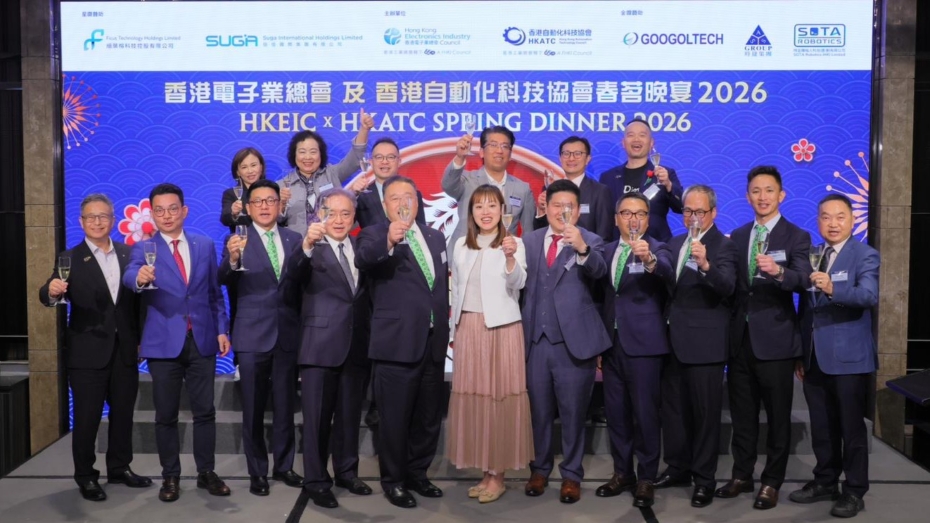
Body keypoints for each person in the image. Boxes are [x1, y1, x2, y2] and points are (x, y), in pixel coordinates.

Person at [123, 183, 231, 502]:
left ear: (184, 210)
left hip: (202, 339)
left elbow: (214, 293)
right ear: (152, 214)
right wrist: (139, 278)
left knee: (205, 412)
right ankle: (170, 476)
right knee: (166, 415)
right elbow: (131, 275)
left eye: (172, 209)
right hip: (163, 344)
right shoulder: (144, 248)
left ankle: (206, 472)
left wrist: (221, 329)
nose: (167, 215)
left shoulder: (204, 244)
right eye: (159, 210)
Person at [38, 193, 150, 501]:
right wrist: (51, 291)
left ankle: (120, 467)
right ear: (81, 221)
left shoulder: (130, 253)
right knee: (87, 419)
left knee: (123, 414)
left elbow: (138, 303)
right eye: (91, 217)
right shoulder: (70, 258)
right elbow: (47, 293)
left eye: (103, 216)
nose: (97, 222)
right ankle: (86, 476)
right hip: (87, 353)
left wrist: (141, 339)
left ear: (113, 220)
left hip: (124, 350)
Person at [716, 166, 812, 510]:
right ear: (747, 197)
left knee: (777, 417)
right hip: (739, 340)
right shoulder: (738, 236)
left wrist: (779, 271)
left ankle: (772, 481)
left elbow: (804, 279)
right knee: (742, 415)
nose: (762, 197)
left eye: (769, 190)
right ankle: (742, 475)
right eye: (756, 191)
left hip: (776, 340)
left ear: (781, 195)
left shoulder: (796, 235)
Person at [355, 176, 450, 509]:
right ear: (385, 205)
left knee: (428, 417)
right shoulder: (373, 235)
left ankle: (417, 474)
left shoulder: (435, 237)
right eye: (394, 198)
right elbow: (364, 259)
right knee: (394, 419)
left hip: (433, 342)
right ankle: (393, 481)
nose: (402, 203)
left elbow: (438, 287)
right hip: (396, 344)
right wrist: (389, 241)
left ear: (418, 201)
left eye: (408, 196)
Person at [521, 179, 612, 504]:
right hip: (536, 341)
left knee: (574, 414)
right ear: (545, 207)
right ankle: (539, 469)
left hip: (574, 345)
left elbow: (600, 272)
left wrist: (582, 248)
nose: (562, 211)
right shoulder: (529, 241)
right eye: (556, 205)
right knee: (539, 412)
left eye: (569, 206)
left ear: (578, 209)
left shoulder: (591, 239)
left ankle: (572, 474)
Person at [790, 194, 879, 519]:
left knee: (851, 429)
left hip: (849, 359)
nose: (833, 223)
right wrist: (801, 353)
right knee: (822, 427)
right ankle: (825, 480)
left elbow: (868, 295)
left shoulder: (865, 255)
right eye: (826, 217)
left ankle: (854, 491)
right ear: (818, 221)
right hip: (814, 357)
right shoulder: (815, 254)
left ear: (852, 220)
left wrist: (832, 288)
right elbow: (807, 310)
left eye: (840, 216)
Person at [285, 188, 374, 509]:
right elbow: (291, 276)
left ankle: (347, 472)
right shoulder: (309, 247)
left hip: (355, 346)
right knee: (317, 420)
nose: (338, 220)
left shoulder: (360, 248)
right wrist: (307, 246)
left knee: (349, 417)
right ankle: (316, 481)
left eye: (345, 213)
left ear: (354, 218)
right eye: (331, 213)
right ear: (319, 215)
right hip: (319, 347)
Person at [446, 185, 533, 504]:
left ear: (502, 211)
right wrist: (454, 330)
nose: (486, 212)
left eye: (492, 206)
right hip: (468, 329)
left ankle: (498, 475)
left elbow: (518, 283)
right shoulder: (460, 245)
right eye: (479, 206)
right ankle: (485, 471)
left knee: (498, 401)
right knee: (476, 401)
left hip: (501, 329)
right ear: (470, 212)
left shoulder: (514, 243)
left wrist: (510, 258)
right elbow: (456, 289)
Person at [218, 179, 303, 497]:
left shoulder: (295, 239)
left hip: (287, 334)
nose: (265, 206)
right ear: (248, 208)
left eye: (271, 200)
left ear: (280, 206)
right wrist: (233, 260)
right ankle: (257, 471)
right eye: (258, 201)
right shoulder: (236, 239)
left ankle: (284, 465)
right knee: (253, 408)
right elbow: (222, 278)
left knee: (285, 405)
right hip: (252, 335)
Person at [659, 184, 738, 508]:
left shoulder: (724, 245)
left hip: (705, 345)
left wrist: (706, 265)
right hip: (671, 341)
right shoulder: (674, 243)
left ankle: (704, 479)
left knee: (705, 416)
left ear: (713, 213)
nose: (692, 217)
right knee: (674, 412)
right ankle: (678, 467)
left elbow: (728, 286)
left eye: (699, 211)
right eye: (688, 211)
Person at [596, 192, 674, 508]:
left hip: (644, 347)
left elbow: (667, 271)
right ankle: (622, 473)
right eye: (626, 213)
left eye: (640, 213)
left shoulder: (658, 248)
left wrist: (649, 260)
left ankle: (646, 478)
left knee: (645, 415)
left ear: (648, 219)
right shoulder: (607, 250)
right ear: (616, 219)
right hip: (611, 345)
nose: (633, 219)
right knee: (616, 415)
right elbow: (602, 297)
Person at [442, 125, 534, 258]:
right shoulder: (467, 180)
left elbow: (529, 233)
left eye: (505, 146)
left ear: (510, 154)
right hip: (465, 255)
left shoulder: (523, 189)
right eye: (493, 145)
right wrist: (459, 157)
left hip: (504, 259)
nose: (499, 150)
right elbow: (448, 185)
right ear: (481, 152)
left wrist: (521, 259)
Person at [278, 109, 374, 235]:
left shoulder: (332, 173)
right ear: (294, 155)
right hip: (298, 244)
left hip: (331, 242)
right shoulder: (282, 185)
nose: (308, 157)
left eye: (313, 152)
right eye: (302, 152)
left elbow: (355, 158)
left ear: (321, 154)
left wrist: (364, 129)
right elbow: (275, 222)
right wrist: (281, 204)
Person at [599, 119, 683, 242]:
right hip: (619, 247)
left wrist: (669, 185)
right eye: (631, 135)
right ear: (623, 142)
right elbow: (603, 218)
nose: (636, 139)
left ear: (651, 143)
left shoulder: (665, 174)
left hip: (656, 246)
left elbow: (682, 207)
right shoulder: (608, 177)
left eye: (642, 135)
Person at [534, 136, 614, 241]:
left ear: (588, 159)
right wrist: (541, 211)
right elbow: (539, 233)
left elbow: (604, 235)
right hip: (553, 249)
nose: (571, 158)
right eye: (566, 154)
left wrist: (586, 250)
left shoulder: (600, 191)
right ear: (560, 158)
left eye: (577, 154)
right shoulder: (550, 188)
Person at [350, 137, 426, 228]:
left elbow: (422, 228)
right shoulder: (361, 197)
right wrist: (352, 195)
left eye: (390, 157)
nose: (385, 161)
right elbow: (346, 223)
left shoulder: (414, 194)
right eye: (379, 157)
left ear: (399, 161)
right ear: (371, 162)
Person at [220, 147, 268, 233]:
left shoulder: (273, 191)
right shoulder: (231, 194)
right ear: (238, 172)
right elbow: (225, 219)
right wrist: (233, 213)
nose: (250, 171)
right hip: (243, 239)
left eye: (253, 165)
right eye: (244, 167)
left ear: (261, 167)